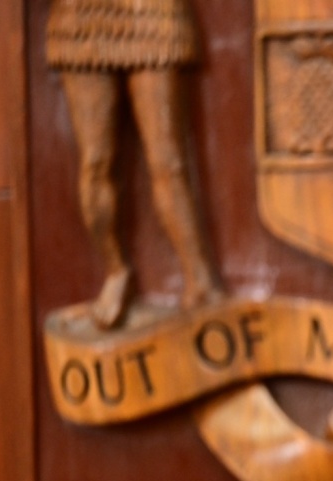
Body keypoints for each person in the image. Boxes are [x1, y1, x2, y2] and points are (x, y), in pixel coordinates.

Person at [47, 0, 220, 329]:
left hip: (151, 14)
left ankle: (200, 281)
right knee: (95, 162)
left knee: (168, 161)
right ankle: (116, 270)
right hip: (81, 19)